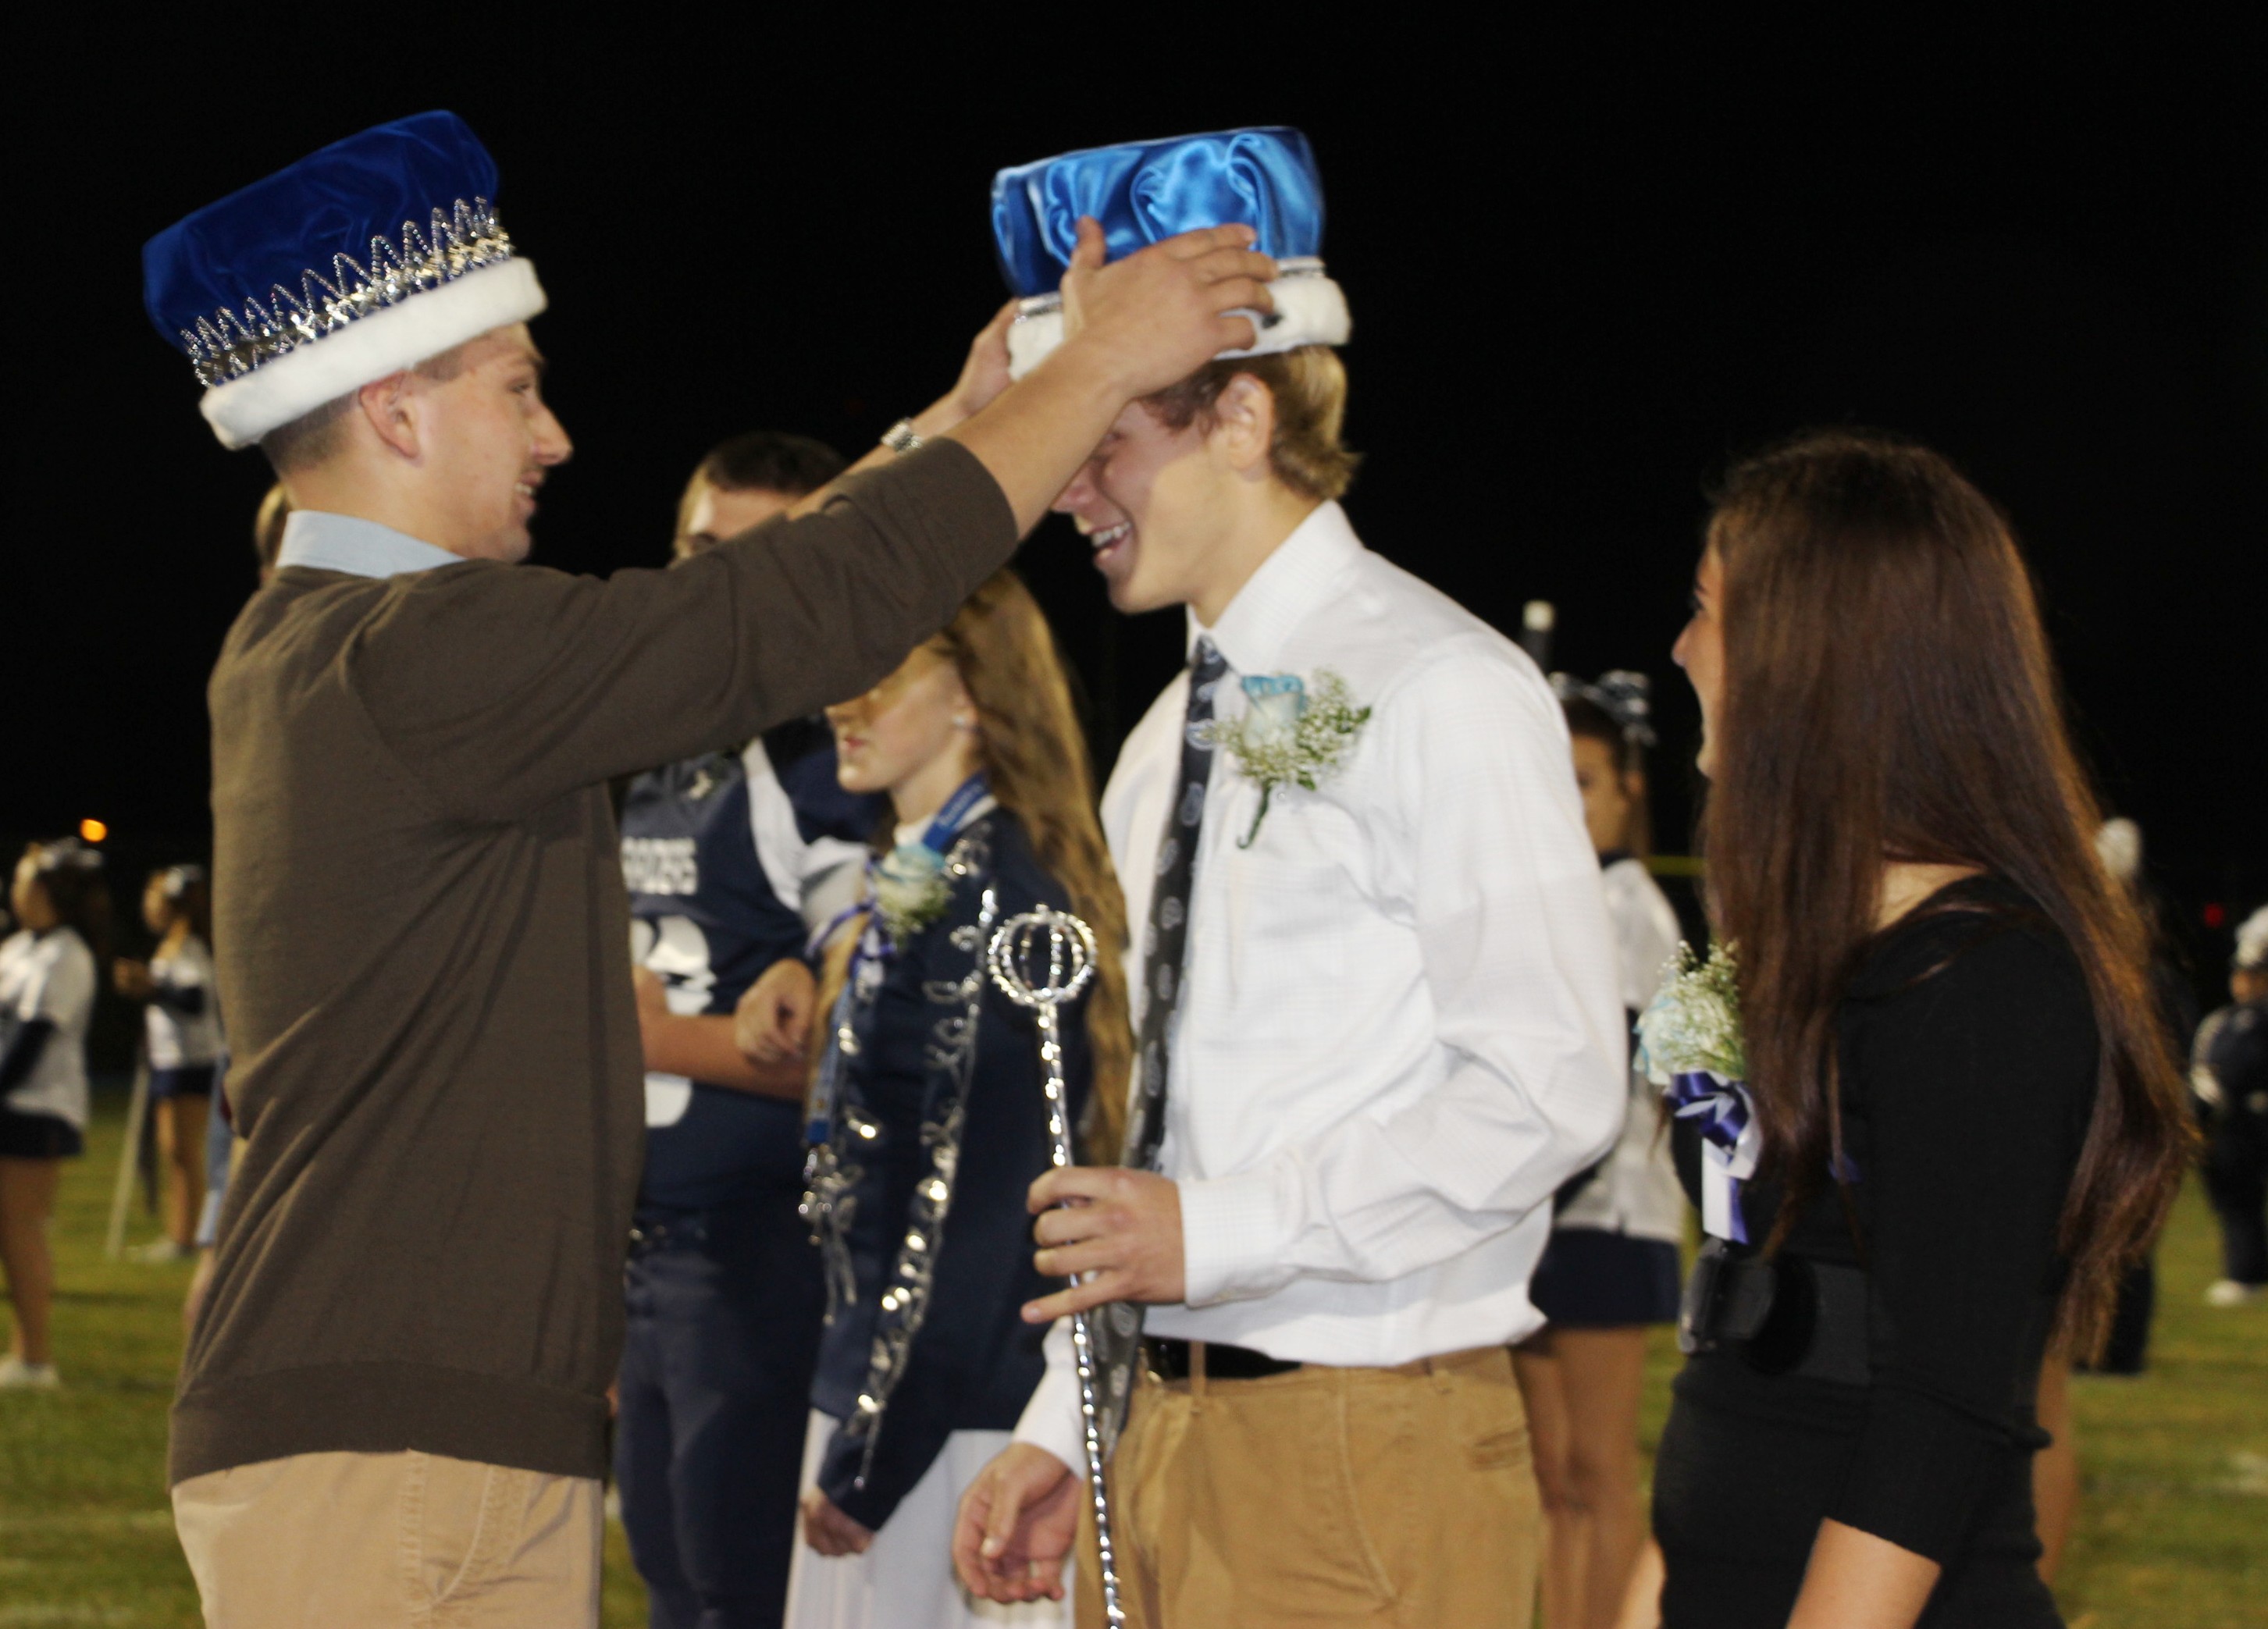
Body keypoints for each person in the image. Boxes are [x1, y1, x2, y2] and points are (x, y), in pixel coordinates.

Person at [144, 109, 1280, 1625]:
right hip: (396, 1447)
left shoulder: (337, 647)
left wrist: (953, 424)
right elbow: (776, 618)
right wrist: (1096, 372)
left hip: (407, 1433)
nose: (553, 435)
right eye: (518, 387)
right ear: (398, 409)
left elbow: (758, 598)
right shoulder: (413, 651)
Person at [953, 129, 1625, 1628]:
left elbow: (1552, 1083)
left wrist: (1223, 1231)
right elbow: (1173, 1114)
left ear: (1243, 417)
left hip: (1362, 1440)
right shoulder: (1157, 743)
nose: (1067, 492)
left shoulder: (1442, 683)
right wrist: (1070, 1418)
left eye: (1104, 439)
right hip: (1161, 1427)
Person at [1651, 430, 2192, 1627]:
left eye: (1706, 610)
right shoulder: (1811, 949)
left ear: (1815, 652)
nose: (1682, 646)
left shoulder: (1982, 978)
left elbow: (1939, 1409)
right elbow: (1738, 1339)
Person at [778, 570, 1130, 1629]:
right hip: (887, 1393)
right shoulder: (931, 863)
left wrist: (871, 1453)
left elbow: (982, 1208)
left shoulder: (1004, 895)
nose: (844, 699)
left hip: (949, 1424)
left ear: (972, 691)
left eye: (883, 671)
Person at [613, 431, 886, 1629]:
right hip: (650, 1245)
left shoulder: (822, 751)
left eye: (759, 554)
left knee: (743, 1588)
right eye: (701, 551)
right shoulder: (648, 739)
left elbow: (878, 1048)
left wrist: (656, 1042)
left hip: (765, 1245)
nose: (721, 584)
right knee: (671, 1573)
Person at [1516, 674, 1684, 1629]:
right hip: (1549, 1212)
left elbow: (1599, 1085)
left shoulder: (1627, 907)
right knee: (1550, 1471)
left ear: (1628, 788)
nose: (1568, 803)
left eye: (1584, 781)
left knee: (1598, 1468)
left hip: (1605, 1214)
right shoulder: (1563, 899)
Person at [0, 839, 109, 1389]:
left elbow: (31, 1042)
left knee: (21, 1230)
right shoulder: (20, 947)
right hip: (13, 1105)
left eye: (22, 879)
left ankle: (36, 1358)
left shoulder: (66, 955)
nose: (13, 889)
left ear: (45, 890)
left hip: (37, 1107)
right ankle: (22, 1353)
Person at [114, 866, 224, 1262]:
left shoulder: (188, 948)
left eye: (153, 898)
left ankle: (189, 1238)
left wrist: (152, 986)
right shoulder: (172, 947)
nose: (147, 906)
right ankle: (182, 1233)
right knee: (175, 1152)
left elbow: (194, 1000)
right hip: (172, 1059)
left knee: (185, 1153)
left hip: (192, 1060)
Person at [2194, 905, 2268, 1307]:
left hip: (2247, 1121)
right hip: (2240, 1124)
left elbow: (2231, 1070)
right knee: (2237, 1200)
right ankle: (2245, 1270)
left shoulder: (2246, 1022)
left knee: (2239, 1198)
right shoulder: (2230, 1020)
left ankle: (2245, 1272)